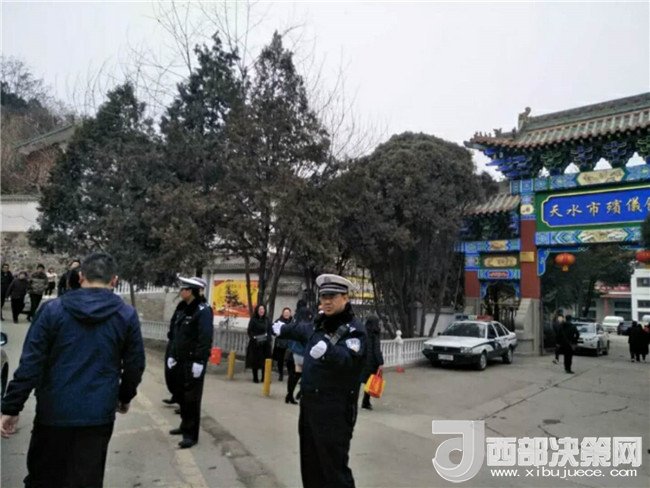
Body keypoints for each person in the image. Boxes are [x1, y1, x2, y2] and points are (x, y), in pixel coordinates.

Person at [0, 252, 145, 488]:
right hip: (97, 415)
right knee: (86, 480)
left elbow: (31, 362)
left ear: (80, 276)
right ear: (114, 280)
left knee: (43, 479)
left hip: (53, 412)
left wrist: (11, 407)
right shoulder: (126, 315)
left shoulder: (52, 310)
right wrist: (124, 396)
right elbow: (135, 365)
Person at [273, 273, 367, 488]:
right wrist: (283, 329)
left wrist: (329, 351)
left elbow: (350, 360)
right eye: (324, 296)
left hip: (334, 408)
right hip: (309, 404)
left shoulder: (354, 329)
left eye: (332, 296)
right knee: (310, 463)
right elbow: (302, 330)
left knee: (334, 469)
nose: (327, 301)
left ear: (345, 298)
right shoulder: (320, 323)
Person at [166, 277, 213, 449]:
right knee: (182, 395)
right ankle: (184, 425)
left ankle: (191, 435)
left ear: (190, 291)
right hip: (181, 359)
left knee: (192, 398)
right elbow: (178, 334)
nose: (181, 292)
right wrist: (173, 354)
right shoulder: (184, 308)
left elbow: (204, 338)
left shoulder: (203, 310)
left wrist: (199, 361)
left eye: (183, 289)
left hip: (194, 361)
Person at [285, 301, 313, 404]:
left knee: (293, 375)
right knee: (303, 375)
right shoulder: (306, 320)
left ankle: (289, 395)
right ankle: (296, 394)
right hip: (301, 352)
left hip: (292, 352)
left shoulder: (294, 319)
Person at [360, 315, 384, 410]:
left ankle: (359, 402)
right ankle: (365, 402)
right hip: (372, 363)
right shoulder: (375, 334)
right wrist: (381, 362)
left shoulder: (363, 332)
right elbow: (376, 350)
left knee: (361, 381)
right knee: (370, 382)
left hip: (363, 361)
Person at [246, 304, 271, 383]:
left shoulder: (267, 320)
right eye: (260, 309)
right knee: (255, 361)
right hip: (255, 344)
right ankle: (255, 377)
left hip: (265, 344)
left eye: (263, 309)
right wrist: (254, 338)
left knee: (265, 361)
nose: (261, 311)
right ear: (257, 310)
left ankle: (264, 377)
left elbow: (269, 330)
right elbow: (249, 331)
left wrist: (268, 338)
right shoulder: (253, 320)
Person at [272, 307, 292, 381]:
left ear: (290, 314)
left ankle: (290, 374)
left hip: (290, 342)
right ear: (282, 313)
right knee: (280, 359)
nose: (286, 314)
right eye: (285, 313)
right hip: (280, 343)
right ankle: (281, 374)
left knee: (289, 359)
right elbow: (273, 330)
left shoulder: (292, 321)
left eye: (288, 313)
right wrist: (276, 333)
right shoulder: (278, 321)